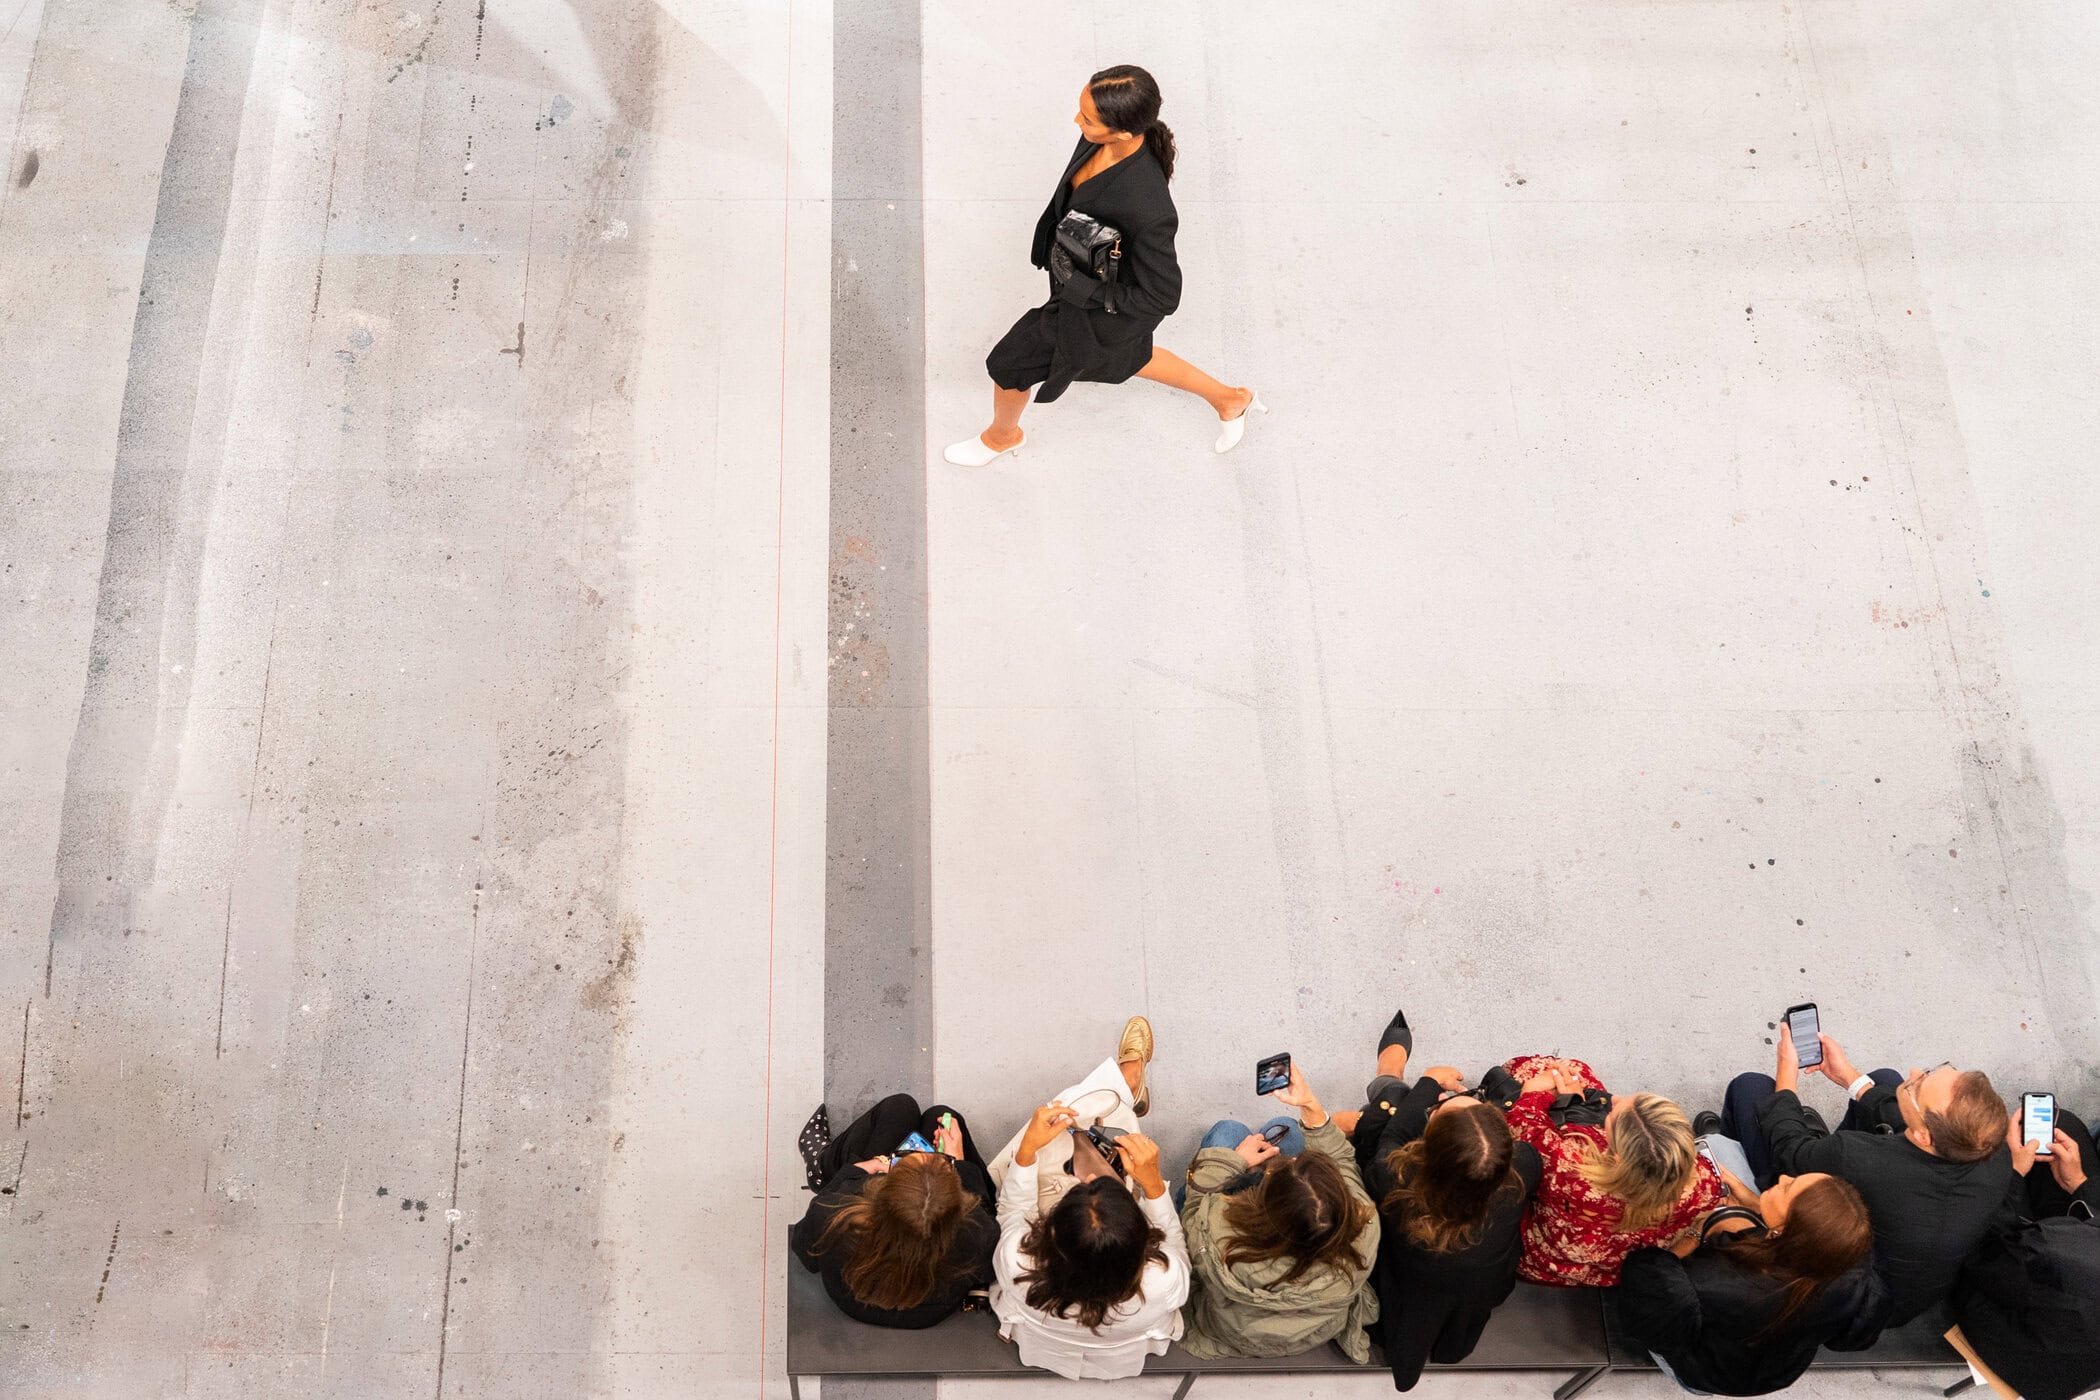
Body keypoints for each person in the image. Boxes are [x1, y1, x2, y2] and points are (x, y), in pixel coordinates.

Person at [943, 65, 1265, 468]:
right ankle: (1231, 399)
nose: (1078, 122)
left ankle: (1001, 437)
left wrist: (1083, 292)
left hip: (1097, 303)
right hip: (1081, 281)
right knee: (1129, 355)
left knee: (1010, 363)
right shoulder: (1102, 139)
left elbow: (1163, 295)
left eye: (1088, 119)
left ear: (1123, 132)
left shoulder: (1148, 207)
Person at [1720, 1026, 2014, 1325]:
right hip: (1913, 1289)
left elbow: (1790, 1151)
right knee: (1886, 1080)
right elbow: (1912, 1122)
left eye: (1919, 1086)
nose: (1913, 1073)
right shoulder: (1994, 1152)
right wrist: (1848, 1076)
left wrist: (1786, 1080)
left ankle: (1734, 1161)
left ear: (1924, 1136)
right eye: (1930, 1071)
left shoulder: (1858, 1158)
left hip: (1853, 1302)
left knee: (1750, 1088)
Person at [1345, 1009, 1542, 1391]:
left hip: (1410, 1282)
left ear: (1427, 1148)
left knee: (1382, 1120)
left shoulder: (1398, 1180)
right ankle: (1388, 1083)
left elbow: (1389, 1144)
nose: (1447, 1098)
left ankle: (1389, 1078)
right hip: (1483, 1284)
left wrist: (1428, 1083)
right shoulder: (1525, 1166)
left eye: (1438, 1112)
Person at [986, 1018, 1189, 1378]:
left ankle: (1121, 1090)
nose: (1090, 1179)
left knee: (1055, 1117)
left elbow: (1013, 1210)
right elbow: (1175, 1244)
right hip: (1122, 1352)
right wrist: (1153, 1186)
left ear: (1051, 1231)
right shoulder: (1161, 1279)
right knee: (1073, 1116)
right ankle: (1124, 1092)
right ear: (1139, 1238)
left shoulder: (1021, 1264)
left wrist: (1028, 1150)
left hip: (1042, 1343)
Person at [1618, 1170, 1888, 1395]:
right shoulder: (1852, 1271)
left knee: (1718, 1151)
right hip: (1779, 1372)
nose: (1782, 1177)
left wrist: (1697, 1232)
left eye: (1788, 1188)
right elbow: (1849, 1340)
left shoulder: (1704, 1284)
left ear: (1787, 1231)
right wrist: (1759, 1208)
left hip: (1700, 1373)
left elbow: (1645, 1288)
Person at [1178, 1061, 1380, 1360]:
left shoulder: (1222, 1238)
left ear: (1263, 1198)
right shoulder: (1365, 1226)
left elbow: (1195, 1208)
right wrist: (1310, 1106)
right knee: (1289, 1132)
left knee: (1227, 1131)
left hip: (1232, 1329)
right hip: (1313, 1330)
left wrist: (1232, 1162)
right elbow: (1344, 1162)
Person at [1500, 1054, 1723, 1288]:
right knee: (1578, 1079)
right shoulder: (1704, 1184)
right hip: (1620, 1271)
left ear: (1618, 1155)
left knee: (1554, 1069)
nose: (1613, 1102)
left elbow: (1520, 1127)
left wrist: (1535, 1092)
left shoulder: (1571, 1166)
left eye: (1613, 1113)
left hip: (1542, 1262)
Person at [789, 1093, 998, 1327]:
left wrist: (852, 1172)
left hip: (853, 1302)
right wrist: (960, 1164)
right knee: (941, 1117)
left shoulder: (835, 1214)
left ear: (879, 1189)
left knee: (899, 1108)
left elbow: (805, 1251)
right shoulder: (978, 1231)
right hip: (928, 1313)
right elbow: (987, 1267)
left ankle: (821, 1167)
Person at [1950, 1104, 2100, 1400]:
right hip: (2053, 1275)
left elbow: (1991, 1251)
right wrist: (2078, 1184)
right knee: (2061, 1127)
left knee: (1975, 1158)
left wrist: (2012, 1174)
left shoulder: (2062, 1265)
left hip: (2020, 1332)